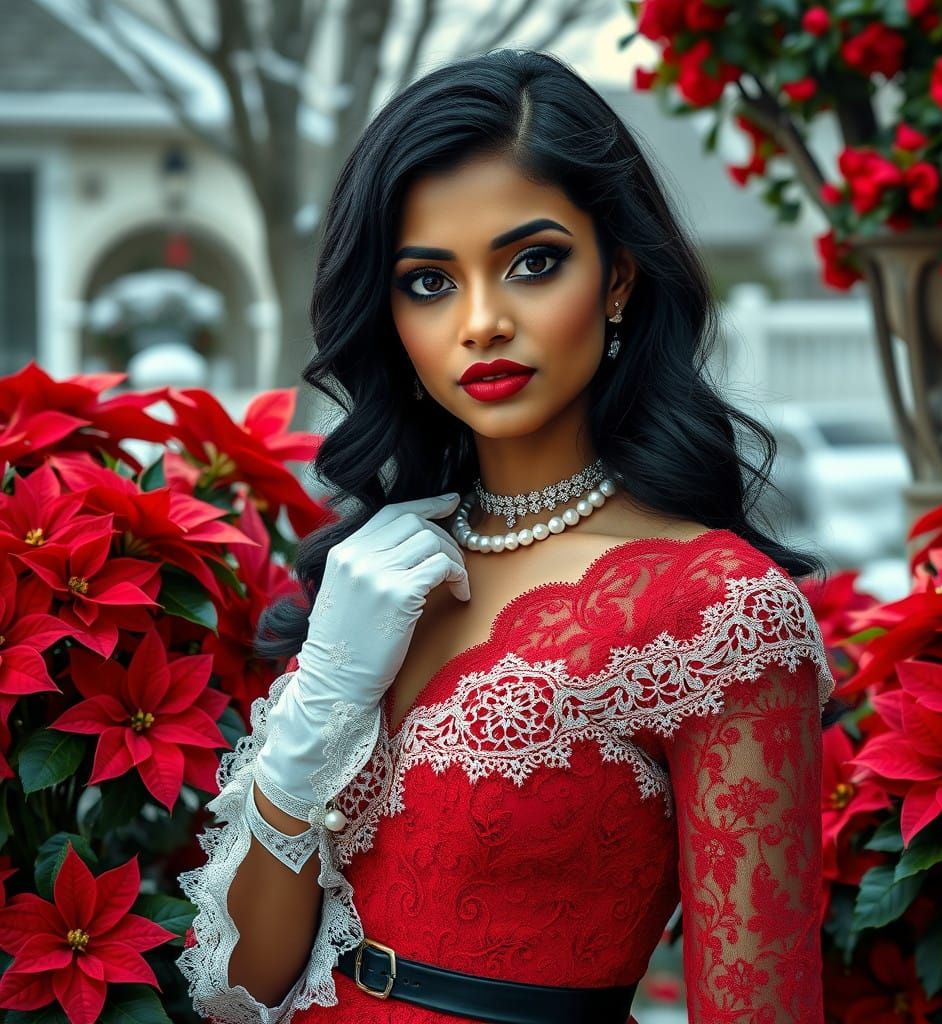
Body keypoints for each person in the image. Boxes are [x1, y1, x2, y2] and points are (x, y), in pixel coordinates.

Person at [177, 48, 838, 1024]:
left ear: (617, 277)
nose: (481, 322)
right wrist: (326, 692)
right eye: (428, 282)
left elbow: (761, 1006)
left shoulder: (720, 613)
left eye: (532, 263)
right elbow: (242, 989)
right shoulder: (376, 574)